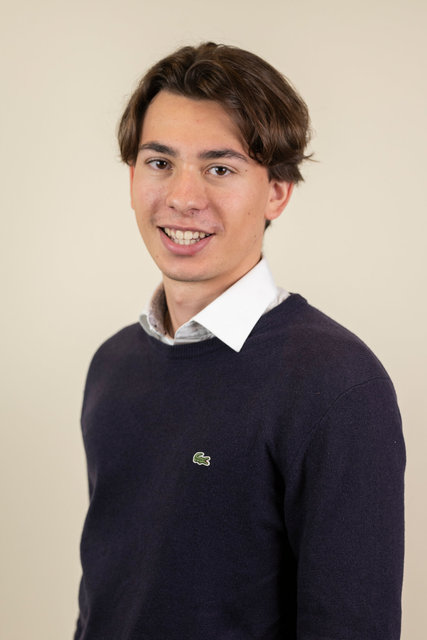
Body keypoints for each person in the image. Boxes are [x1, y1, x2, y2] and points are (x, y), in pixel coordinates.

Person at [74, 42, 405, 640]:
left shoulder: (337, 385)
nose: (182, 197)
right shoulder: (113, 363)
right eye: (160, 161)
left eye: (220, 168)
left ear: (277, 191)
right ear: (132, 176)